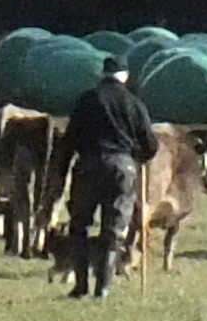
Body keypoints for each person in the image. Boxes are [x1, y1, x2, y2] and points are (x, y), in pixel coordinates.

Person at [59, 55, 154, 296]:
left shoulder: (86, 100)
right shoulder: (134, 103)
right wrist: (138, 157)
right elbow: (150, 145)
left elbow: (69, 140)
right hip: (122, 168)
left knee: (79, 225)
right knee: (113, 229)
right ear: (125, 76)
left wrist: (61, 170)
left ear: (103, 74)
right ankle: (104, 287)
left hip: (88, 165)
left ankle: (80, 285)